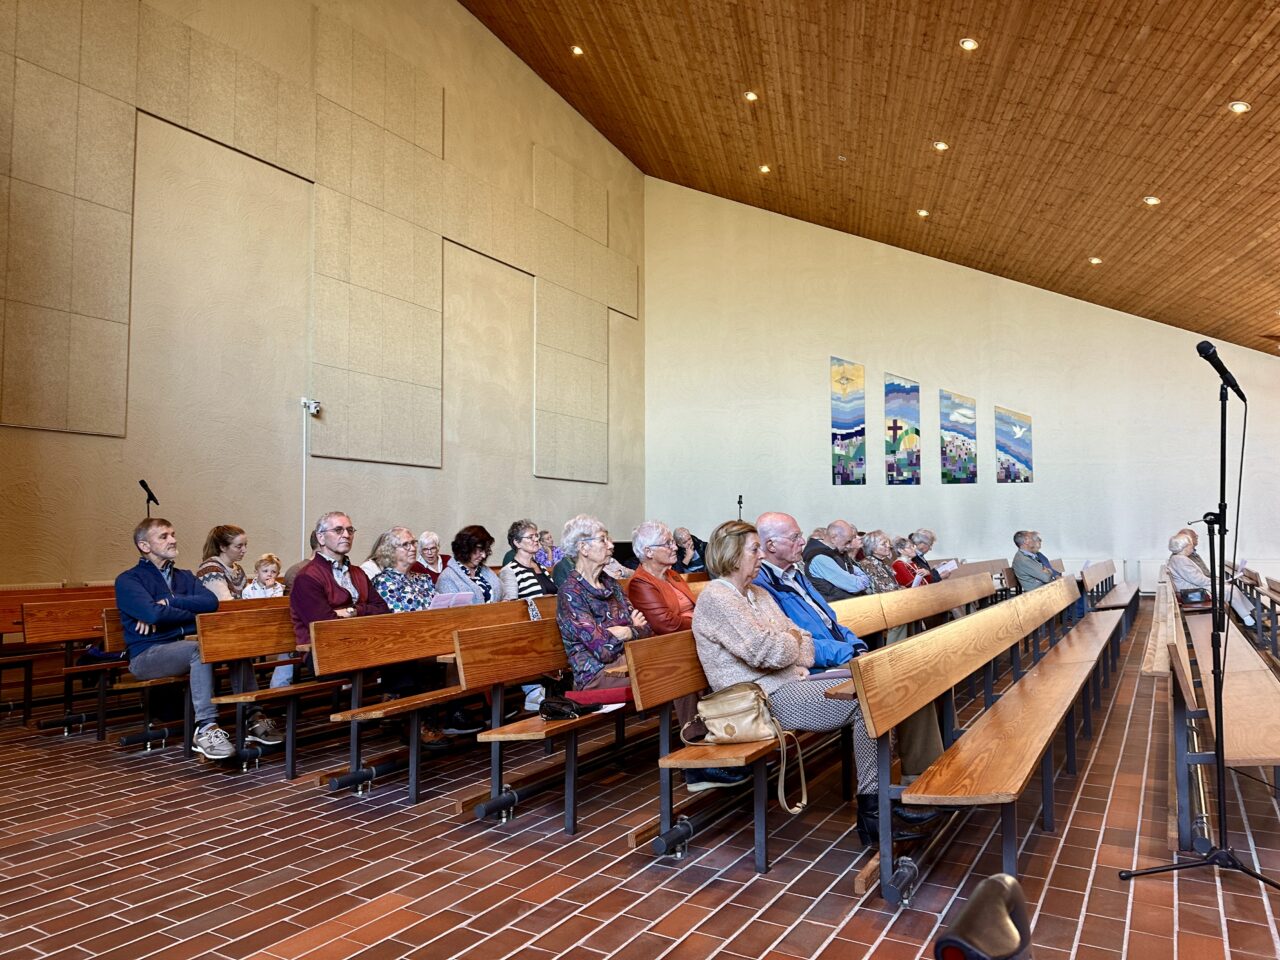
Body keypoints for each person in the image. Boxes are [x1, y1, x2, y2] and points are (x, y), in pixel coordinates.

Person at [692, 519, 936, 843]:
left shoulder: (757, 594)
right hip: (758, 700)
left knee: (875, 684)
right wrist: (789, 642)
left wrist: (789, 642)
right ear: (733, 554)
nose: (760, 556)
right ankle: (875, 816)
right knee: (866, 698)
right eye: (754, 549)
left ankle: (877, 812)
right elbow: (764, 652)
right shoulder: (719, 597)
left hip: (790, 683)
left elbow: (802, 639)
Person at [116, 518, 281, 759]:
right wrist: (182, 619)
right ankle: (205, 728)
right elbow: (152, 613)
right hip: (147, 654)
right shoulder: (129, 580)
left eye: (172, 534)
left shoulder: (184, 576)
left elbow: (210, 603)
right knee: (200, 650)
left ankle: (254, 716)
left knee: (230, 643)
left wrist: (171, 604)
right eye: (163, 536)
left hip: (182, 643)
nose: (172, 539)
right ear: (144, 545)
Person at [556, 515, 650, 696]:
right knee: (669, 673)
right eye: (602, 539)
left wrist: (625, 631)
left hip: (627, 662)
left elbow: (646, 629)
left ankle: (694, 724)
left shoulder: (611, 584)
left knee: (678, 666)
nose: (611, 545)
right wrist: (631, 628)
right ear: (583, 547)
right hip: (594, 675)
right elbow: (603, 650)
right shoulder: (571, 593)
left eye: (609, 539)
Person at [753, 512, 860, 669]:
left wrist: (857, 646)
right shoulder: (762, 585)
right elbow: (794, 643)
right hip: (815, 669)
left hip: (839, 655)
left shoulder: (795, 575)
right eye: (795, 537)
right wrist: (848, 652)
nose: (803, 542)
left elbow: (830, 623)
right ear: (771, 545)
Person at [289, 512, 390, 654]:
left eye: (350, 530)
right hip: (324, 652)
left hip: (363, 643)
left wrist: (352, 611)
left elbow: (382, 609)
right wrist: (364, 611)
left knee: (409, 659)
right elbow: (324, 626)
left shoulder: (358, 573)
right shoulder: (307, 577)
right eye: (338, 530)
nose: (346, 535)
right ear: (321, 537)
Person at [1168, 532, 1255, 626]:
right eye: (1190, 545)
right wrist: (1219, 582)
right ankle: (1247, 617)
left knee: (1231, 588)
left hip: (1191, 589)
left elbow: (1197, 579)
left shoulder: (1178, 558)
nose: (1192, 547)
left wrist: (1219, 582)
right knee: (1229, 590)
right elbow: (1199, 580)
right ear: (1185, 546)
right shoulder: (1181, 560)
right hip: (1192, 593)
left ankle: (1247, 615)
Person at [802, 520, 871, 601]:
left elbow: (863, 577)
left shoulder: (836, 553)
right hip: (837, 607)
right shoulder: (820, 558)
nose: (848, 546)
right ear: (834, 538)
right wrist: (859, 580)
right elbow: (854, 586)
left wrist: (860, 580)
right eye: (847, 542)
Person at [437, 526, 506, 602]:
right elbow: (455, 611)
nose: (484, 555)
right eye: (479, 550)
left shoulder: (486, 571)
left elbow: (504, 594)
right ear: (466, 548)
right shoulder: (447, 578)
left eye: (485, 550)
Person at [500, 519, 558, 599]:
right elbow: (510, 606)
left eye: (536, 536)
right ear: (517, 543)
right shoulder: (510, 571)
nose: (536, 539)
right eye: (530, 537)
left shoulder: (541, 567)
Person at [196, 525, 249, 600]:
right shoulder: (210, 569)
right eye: (239, 546)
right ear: (223, 547)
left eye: (245, 545)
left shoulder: (238, 570)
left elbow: (249, 597)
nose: (244, 550)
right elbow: (225, 603)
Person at [857, 530, 903, 595]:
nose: (889, 546)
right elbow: (882, 589)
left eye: (888, 543)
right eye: (883, 544)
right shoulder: (868, 565)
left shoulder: (882, 562)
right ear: (873, 548)